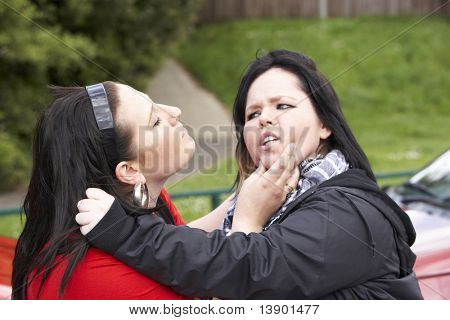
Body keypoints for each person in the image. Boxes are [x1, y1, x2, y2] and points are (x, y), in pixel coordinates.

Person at [76, 50, 423, 299]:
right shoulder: (277, 198)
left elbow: (247, 278)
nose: (265, 119)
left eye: (283, 106)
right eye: (253, 113)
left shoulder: (348, 211)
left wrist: (124, 232)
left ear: (325, 125)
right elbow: (197, 247)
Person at [12, 81, 299, 299]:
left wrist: (246, 196)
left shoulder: (144, 198)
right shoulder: (94, 276)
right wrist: (248, 221)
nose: (175, 111)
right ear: (129, 170)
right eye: (156, 121)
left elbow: (180, 250)